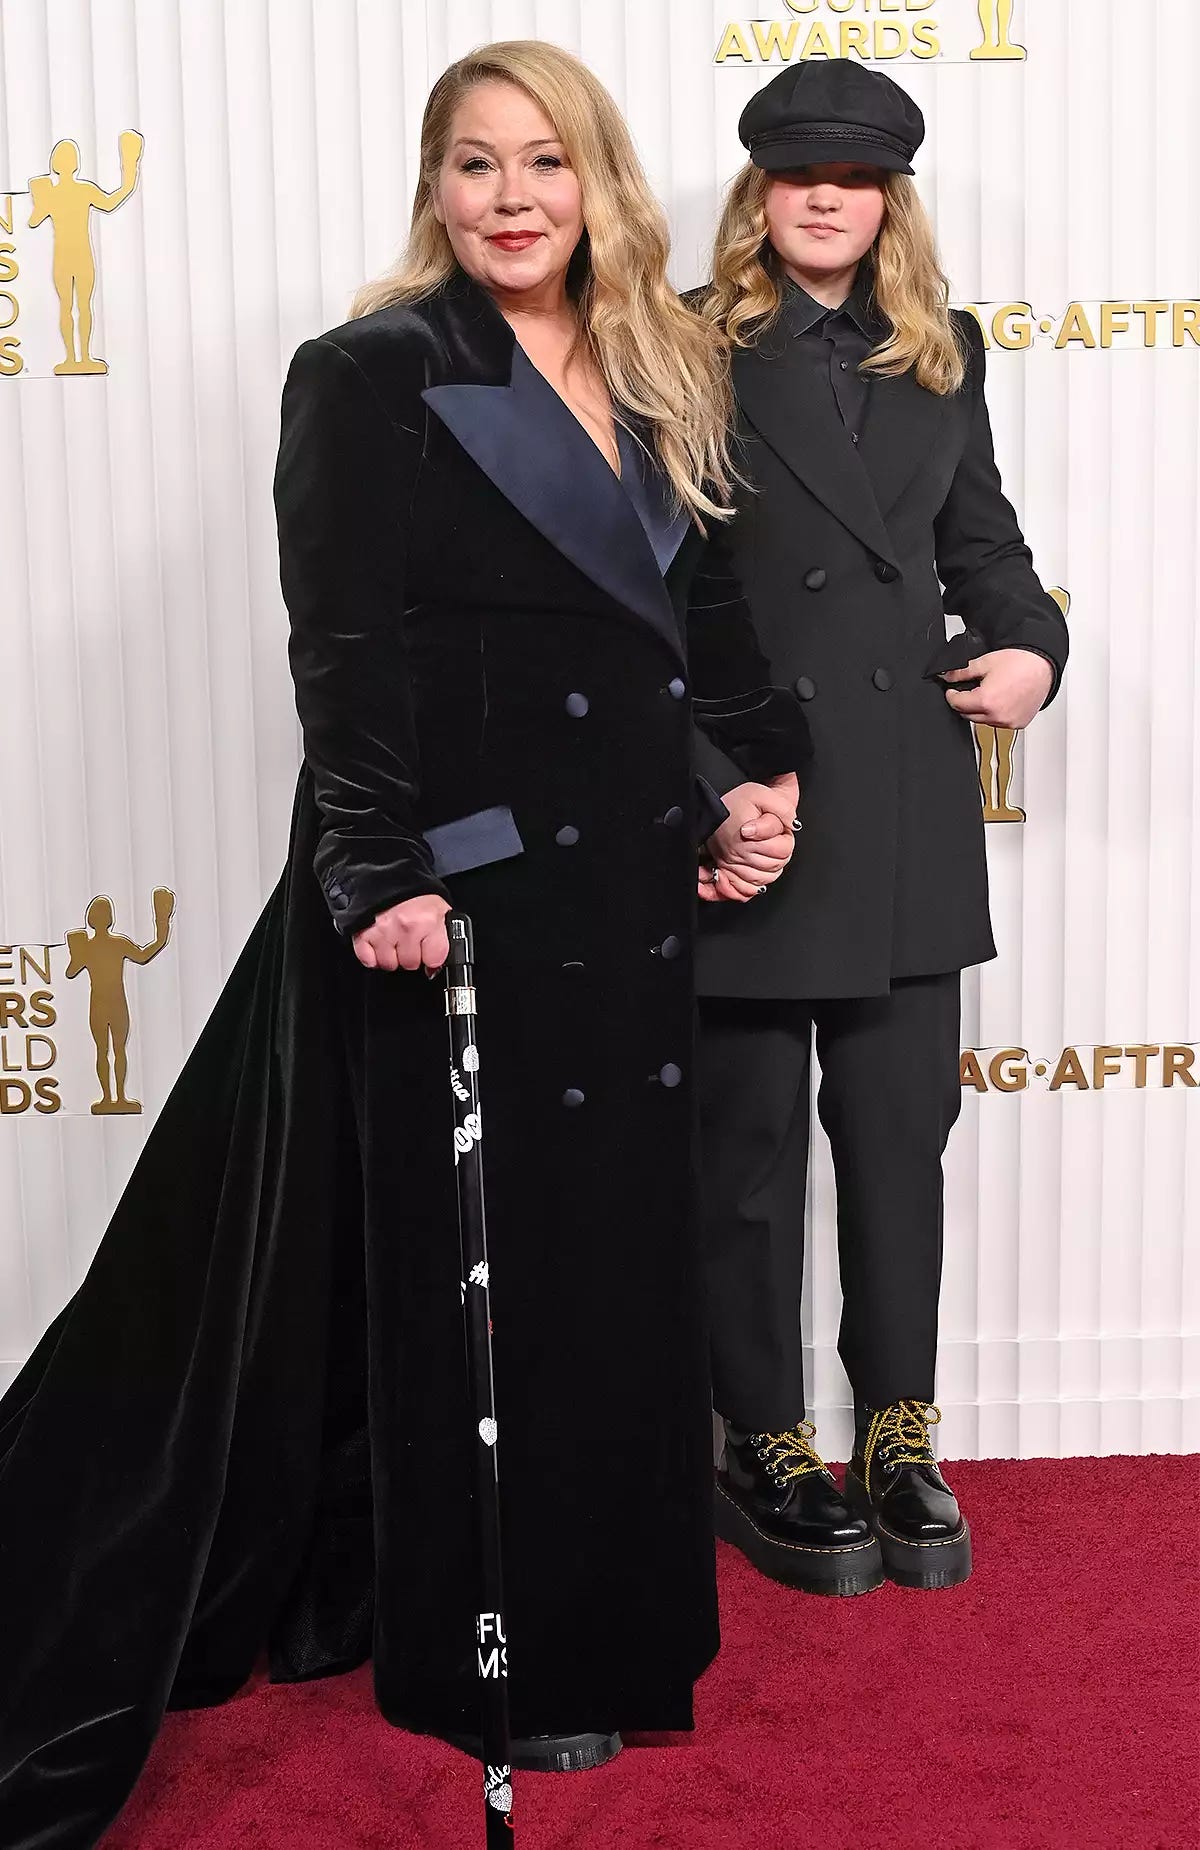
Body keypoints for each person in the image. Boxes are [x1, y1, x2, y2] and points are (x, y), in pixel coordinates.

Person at [0, 40, 810, 1848]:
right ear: (432, 189)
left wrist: (761, 777)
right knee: (487, 1294)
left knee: (610, 1272)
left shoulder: (668, 362)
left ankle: (625, 1621)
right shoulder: (372, 374)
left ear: (598, 179)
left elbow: (709, 611)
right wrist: (384, 871)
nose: (511, 198)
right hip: (471, 894)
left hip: (627, 899)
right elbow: (346, 648)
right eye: (474, 166)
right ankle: (493, 1661)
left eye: (544, 163)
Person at [691, 60, 1068, 1597]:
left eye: (853, 174)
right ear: (760, 193)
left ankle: (899, 1431)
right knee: (750, 1145)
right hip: (762, 800)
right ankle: (763, 1435)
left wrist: (1035, 645)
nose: (826, 196)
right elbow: (661, 593)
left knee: (901, 1139)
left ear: (891, 195)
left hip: (909, 801)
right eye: (797, 173)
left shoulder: (941, 352)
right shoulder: (688, 350)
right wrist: (707, 780)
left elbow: (986, 544)